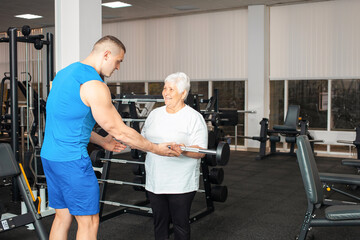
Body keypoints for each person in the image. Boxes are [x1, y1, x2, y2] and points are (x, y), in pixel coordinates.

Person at [40, 35, 180, 240]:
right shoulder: (94, 84)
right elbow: (119, 130)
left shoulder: (63, 74)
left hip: (50, 157)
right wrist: (157, 148)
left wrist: (102, 141)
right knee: (89, 222)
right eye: (118, 61)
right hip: (72, 161)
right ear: (106, 54)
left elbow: (69, 123)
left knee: (62, 216)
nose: (118, 67)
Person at [141, 72, 208, 240]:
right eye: (165, 88)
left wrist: (183, 150)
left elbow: (200, 152)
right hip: (155, 181)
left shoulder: (194, 118)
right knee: (159, 224)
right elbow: (142, 140)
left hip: (180, 183)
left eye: (171, 89)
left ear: (183, 93)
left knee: (180, 225)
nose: (166, 92)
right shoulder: (155, 114)